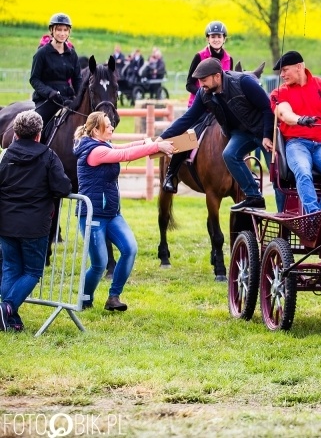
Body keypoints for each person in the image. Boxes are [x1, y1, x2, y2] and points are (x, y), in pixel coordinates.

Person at [73, 112, 174, 311]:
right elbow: (124, 155)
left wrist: (147, 142)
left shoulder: (104, 145)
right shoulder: (94, 152)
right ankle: (84, 299)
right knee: (99, 264)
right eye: (108, 126)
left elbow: (125, 147)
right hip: (92, 215)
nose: (112, 128)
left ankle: (113, 297)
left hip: (111, 213)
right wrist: (155, 147)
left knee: (130, 249)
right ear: (95, 130)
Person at [158, 57, 274, 210]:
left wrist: (267, 135)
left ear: (217, 76)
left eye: (204, 80)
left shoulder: (244, 82)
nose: (201, 85)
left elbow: (267, 107)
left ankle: (286, 212)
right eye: (199, 81)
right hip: (238, 132)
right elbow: (188, 118)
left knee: (277, 177)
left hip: (261, 132)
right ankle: (253, 196)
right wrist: (161, 138)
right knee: (228, 154)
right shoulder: (203, 91)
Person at [0, 111, 72, 332]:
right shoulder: (49, 157)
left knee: (11, 268)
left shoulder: (7, 156)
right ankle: (6, 309)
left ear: (17, 133)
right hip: (34, 226)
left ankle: (11, 320)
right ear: (39, 134)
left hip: (6, 224)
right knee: (32, 272)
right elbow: (63, 188)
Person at [271, 51, 321, 214]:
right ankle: (313, 216)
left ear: (299, 67)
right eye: (280, 71)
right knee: (303, 172)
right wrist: (300, 119)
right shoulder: (279, 93)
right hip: (296, 144)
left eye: (285, 70)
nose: (282, 75)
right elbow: (284, 114)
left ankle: (320, 215)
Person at [161, 22, 234, 194]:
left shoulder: (229, 59)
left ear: (224, 39)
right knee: (189, 135)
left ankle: (244, 170)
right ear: (208, 39)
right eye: (213, 36)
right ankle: (171, 174)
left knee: (237, 130)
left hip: (220, 107)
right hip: (199, 105)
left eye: (219, 36)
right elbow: (188, 84)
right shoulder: (199, 56)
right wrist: (205, 94)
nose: (216, 39)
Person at [29, 13, 83, 130]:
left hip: (67, 98)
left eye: (65, 30)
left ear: (69, 32)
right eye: (59, 29)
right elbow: (34, 79)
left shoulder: (72, 54)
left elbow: (77, 79)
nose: (62, 33)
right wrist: (49, 93)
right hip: (47, 99)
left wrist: (80, 97)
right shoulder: (42, 53)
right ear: (52, 30)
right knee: (35, 126)